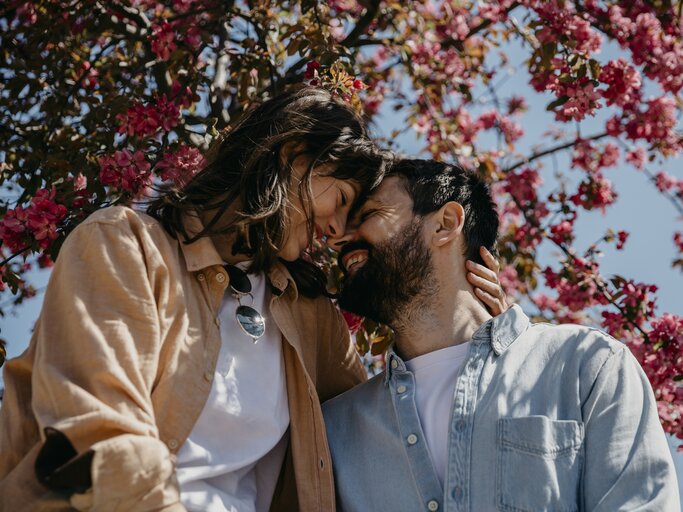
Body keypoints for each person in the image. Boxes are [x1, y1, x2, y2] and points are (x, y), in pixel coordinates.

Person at [0, 89, 504, 511]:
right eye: (342, 201)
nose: (334, 234)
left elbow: (379, 434)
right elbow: (99, 438)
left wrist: (485, 338)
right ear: (292, 154)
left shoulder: (310, 317)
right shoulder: (125, 244)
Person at [323, 158, 679, 512]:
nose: (340, 238)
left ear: (446, 224)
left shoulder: (585, 366)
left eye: (368, 213)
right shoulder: (335, 428)